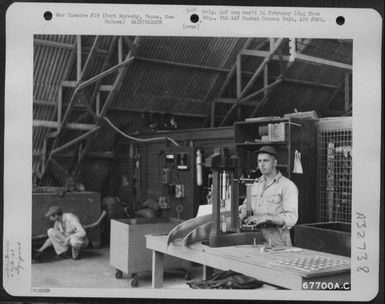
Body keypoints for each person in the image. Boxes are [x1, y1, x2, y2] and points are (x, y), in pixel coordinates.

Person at [240, 146, 298, 246]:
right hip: (255, 237)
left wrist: (266, 217)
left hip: (277, 241)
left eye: (265, 161)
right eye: (259, 161)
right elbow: (246, 205)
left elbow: (291, 217)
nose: (261, 165)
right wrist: (243, 213)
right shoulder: (255, 184)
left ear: (274, 162)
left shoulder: (287, 186)